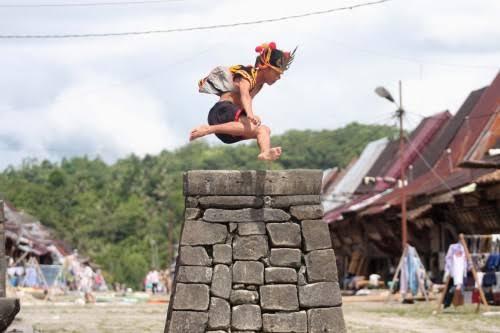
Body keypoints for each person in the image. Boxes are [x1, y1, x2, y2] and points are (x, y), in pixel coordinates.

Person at [189, 42, 296, 161]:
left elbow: (245, 101)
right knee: (253, 125)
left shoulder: (259, 85)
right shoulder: (248, 74)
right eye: (276, 72)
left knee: (264, 130)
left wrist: (250, 115)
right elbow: (245, 95)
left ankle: (265, 153)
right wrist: (250, 114)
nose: (278, 77)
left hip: (229, 133)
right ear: (264, 67)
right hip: (222, 112)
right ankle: (208, 129)